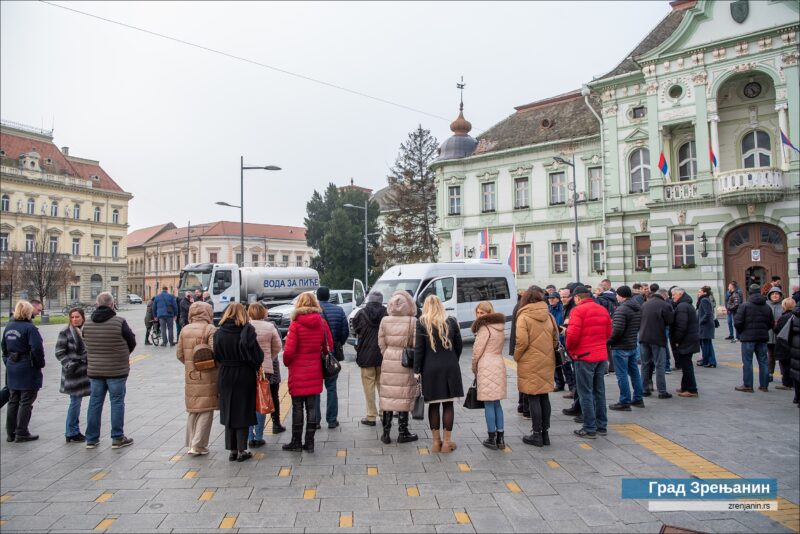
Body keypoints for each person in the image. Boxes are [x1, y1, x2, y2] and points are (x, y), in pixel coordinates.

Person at [82, 292, 137, 449]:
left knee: (95, 403)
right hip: (116, 370)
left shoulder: (87, 324)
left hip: (95, 370)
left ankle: (91, 439)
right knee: (117, 402)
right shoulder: (119, 322)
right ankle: (117, 437)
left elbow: (85, 342)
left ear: (97, 304)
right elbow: (131, 341)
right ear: (113, 304)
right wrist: (122, 354)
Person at [213, 302, 264, 461]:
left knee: (229, 411)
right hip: (244, 374)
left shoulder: (219, 332)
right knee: (243, 411)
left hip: (226, 373)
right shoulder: (247, 330)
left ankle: (232, 450)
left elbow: (217, 355)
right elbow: (257, 356)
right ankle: (242, 450)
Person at [282, 292, 331, 453]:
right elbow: (328, 345)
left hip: (297, 370)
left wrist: (287, 363)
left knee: (297, 407)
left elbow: (288, 351)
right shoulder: (321, 322)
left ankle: (296, 442)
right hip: (315, 368)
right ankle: (309, 442)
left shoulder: (295, 324)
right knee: (312, 407)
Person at [414, 295, 463, 453]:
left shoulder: (421, 323)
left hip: (430, 369)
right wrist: (453, 360)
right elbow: (459, 346)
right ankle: (447, 443)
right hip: (450, 367)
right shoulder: (452, 321)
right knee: (448, 404)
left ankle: (436, 443)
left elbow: (419, 350)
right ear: (441, 305)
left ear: (425, 306)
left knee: (433, 405)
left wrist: (417, 371)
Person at [514, 287, 557, 447]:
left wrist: (517, 356)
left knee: (533, 397)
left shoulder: (523, 316)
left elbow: (522, 342)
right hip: (547, 360)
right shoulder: (549, 315)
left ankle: (536, 434)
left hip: (529, 360)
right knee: (544, 396)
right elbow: (555, 337)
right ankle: (545, 434)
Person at [566, 285, 611, 438]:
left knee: (585, 392)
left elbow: (572, 335)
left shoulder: (577, 311)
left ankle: (589, 427)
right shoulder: (601, 309)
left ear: (577, 298)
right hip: (600, 355)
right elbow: (608, 333)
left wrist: (570, 350)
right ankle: (601, 425)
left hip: (584, 355)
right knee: (599, 391)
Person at [377, 290, 419, 444]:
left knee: (388, 396)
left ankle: (386, 433)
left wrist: (387, 353)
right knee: (403, 395)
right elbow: (415, 344)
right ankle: (403, 432)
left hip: (388, 359)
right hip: (405, 361)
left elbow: (381, 342)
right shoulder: (412, 321)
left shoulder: (385, 320)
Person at [176, 301, 218, 456]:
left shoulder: (185, 330)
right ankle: (198, 445)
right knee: (206, 409)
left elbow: (179, 354)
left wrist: (190, 364)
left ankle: (190, 442)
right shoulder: (210, 329)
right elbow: (215, 353)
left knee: (193, 409)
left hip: (190, 374)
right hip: (208, 375)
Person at [1, 301, 45, 442]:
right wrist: (39, 364)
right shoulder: (29, 328)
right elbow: (37, 349)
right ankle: (21, 431)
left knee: (13, 400)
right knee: (26, 400)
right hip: (27, 367)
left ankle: (10, 432)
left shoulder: (9, 326)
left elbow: (4, 348)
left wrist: (8, 362)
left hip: (12, 367)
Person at [471, 301, 507, 450]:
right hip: (498, 363)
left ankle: (491, 438)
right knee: (497, 403)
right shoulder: (499, 327)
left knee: (488, 403)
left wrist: (474, 367)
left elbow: (477, 352)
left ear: (488, 313)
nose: (479, 315)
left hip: (486, 365)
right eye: (478, 312)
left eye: (482, 313)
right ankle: (501, 438)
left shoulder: (484, 328)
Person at [247, 303, 283, 447]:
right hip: (265, 369)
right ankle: (259, 436)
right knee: (261, 399)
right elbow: (278, 346)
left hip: (248, 368)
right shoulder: (269, 327)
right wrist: (269, 357)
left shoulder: (245, 326)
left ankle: (250, 436)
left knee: (249, 402)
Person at [313, 286, 349, 429]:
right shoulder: (338, 310)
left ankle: (315, 420)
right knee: (332, 387)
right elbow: (345, 331)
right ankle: (332, 420)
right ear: (329, 296)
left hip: (315, 356)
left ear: (317, 297)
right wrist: (337, 343)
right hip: (331, 354)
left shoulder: (312, 312)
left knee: (315, 389)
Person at [55, 308, 91, 442]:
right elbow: (59, 352)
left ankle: (74, 430)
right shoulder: (65, 332)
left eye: (77, 317)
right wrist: (69, 365)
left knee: (79, 402)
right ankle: (71, 432)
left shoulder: (86, 330)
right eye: (72, 317)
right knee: (75, 402)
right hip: (73, 372)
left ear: (83, 317)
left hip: (85, 371)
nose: (75, 319)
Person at [353, 291, 387, 429]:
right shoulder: (387, 313)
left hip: (366, 355)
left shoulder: (360, 313)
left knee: (369, 388)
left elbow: (356, 330)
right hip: (383, 355)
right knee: (383, 387)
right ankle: (385, 413)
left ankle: (371, 416)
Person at [607, 285, 644, 411]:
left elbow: (617, 330)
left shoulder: (622, 309)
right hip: (632, 344)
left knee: (621, 374)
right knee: (634, 372)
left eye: (617, 294)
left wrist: (609, 341)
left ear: (621, 295)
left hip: (620, 346)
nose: (616, 297)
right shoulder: (636, 307)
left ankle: (624, 401)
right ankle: (638, 398)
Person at [735, 284, 775, 393]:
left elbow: (738, 322)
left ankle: (748, 385)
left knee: (747, 362)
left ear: (750, 292)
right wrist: (764, 330)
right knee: (763, 361)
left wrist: (741, 332)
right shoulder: (767, 306)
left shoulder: (745, 306)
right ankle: (764, 385)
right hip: (762, 337)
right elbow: (771, 323)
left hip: (748, 338)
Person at [669, 288, 700, 398]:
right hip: (690, 339)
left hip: (686, 340)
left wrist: (676, 340)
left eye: (674, 295)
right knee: (686, 364)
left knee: (687, 365)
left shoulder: (682, 306)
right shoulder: (686, 304)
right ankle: (685, 386)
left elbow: (681, 326)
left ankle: (692, 389)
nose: (672, 297)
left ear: (680, 294)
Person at [774, 298, 797, 392]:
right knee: (793, 365)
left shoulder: (784, 317)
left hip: (784, 345)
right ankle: (793, 382)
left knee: (785, 365)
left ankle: (786, 383)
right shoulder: (795, 316)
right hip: (794, 344)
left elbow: (776, 330)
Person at [548, 292, 568, 393]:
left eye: (553, 298)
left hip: (562, 338)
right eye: (549, 298)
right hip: (553, 339)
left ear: (557, 299)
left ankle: (571, 385)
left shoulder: (562, 308)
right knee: (555, 364)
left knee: (565, 364)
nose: (551, 300)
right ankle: (559, 383)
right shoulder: (548, 309)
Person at [766, 287, 784, 383]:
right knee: (770, 356)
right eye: (773, 294)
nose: (775, 295)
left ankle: (784, 375)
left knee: (782, 357)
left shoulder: (783, 305)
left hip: (780, 336)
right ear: (769, 295)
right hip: (769, 335)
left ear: (780, 295)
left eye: (777, 294)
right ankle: (770, 373)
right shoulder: (766, 305)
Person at [696, 286, 717, 368]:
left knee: (706, 344)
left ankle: (708, 361)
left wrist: (701, 321)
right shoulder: (703, 299)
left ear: (704, 293)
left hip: (705, 326)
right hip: (705, 325)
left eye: (700, 292)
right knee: (707, 344)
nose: (698, 293)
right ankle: (710, 361)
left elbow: (708, 313)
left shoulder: (704, 300)